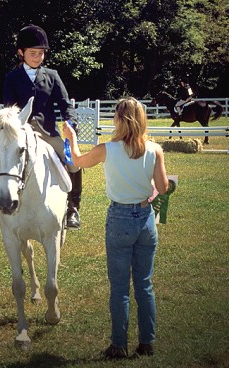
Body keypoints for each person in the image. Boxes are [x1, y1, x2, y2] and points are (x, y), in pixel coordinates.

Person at [63, 97, 169, 359]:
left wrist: (71, 136)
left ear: (120, 120)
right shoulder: (154, 149)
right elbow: (164, 187)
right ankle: (147, 342)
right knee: (144, 285)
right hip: (145, 219)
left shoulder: (107, 149)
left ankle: (119, 344)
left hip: (119, 218)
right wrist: (148, 197)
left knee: (120, 287)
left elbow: (76, 161)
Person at [0, 24, 82, 230]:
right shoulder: (11, 78)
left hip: (48, 133)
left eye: (41, 53)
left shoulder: (52, 76)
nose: (38, 57)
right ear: (21, 53)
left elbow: (66, 104)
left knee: (73, 162)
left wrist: (70, 122)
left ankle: (73, 208)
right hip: (19, 133)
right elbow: (9, 109)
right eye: (33, 53)